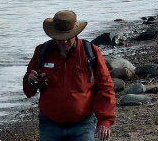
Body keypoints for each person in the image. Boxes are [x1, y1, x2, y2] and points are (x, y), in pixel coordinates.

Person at [24, 10, 115, 141]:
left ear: (76, 33)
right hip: (49, 124)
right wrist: (30, 81)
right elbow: (28, 91)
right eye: (60, 37)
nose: (64, 41)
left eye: (68, 36)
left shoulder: (90, 52)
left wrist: (105, 120)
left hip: (83, 124)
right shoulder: (42, 51)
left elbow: (105, 86)